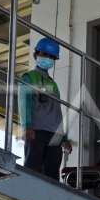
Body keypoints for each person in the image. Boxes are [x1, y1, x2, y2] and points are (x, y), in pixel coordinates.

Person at [18, 37, 71, 179]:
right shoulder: (28, 77)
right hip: (37, 132)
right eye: (44, 55)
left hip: (55, 136)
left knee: (52, 175)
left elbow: (57, 112)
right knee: (32, 171)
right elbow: (24, 102)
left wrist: (64, 137)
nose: (47, 59)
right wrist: (27, 126)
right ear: (36, 55)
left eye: (51, 57)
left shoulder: (53, 84)